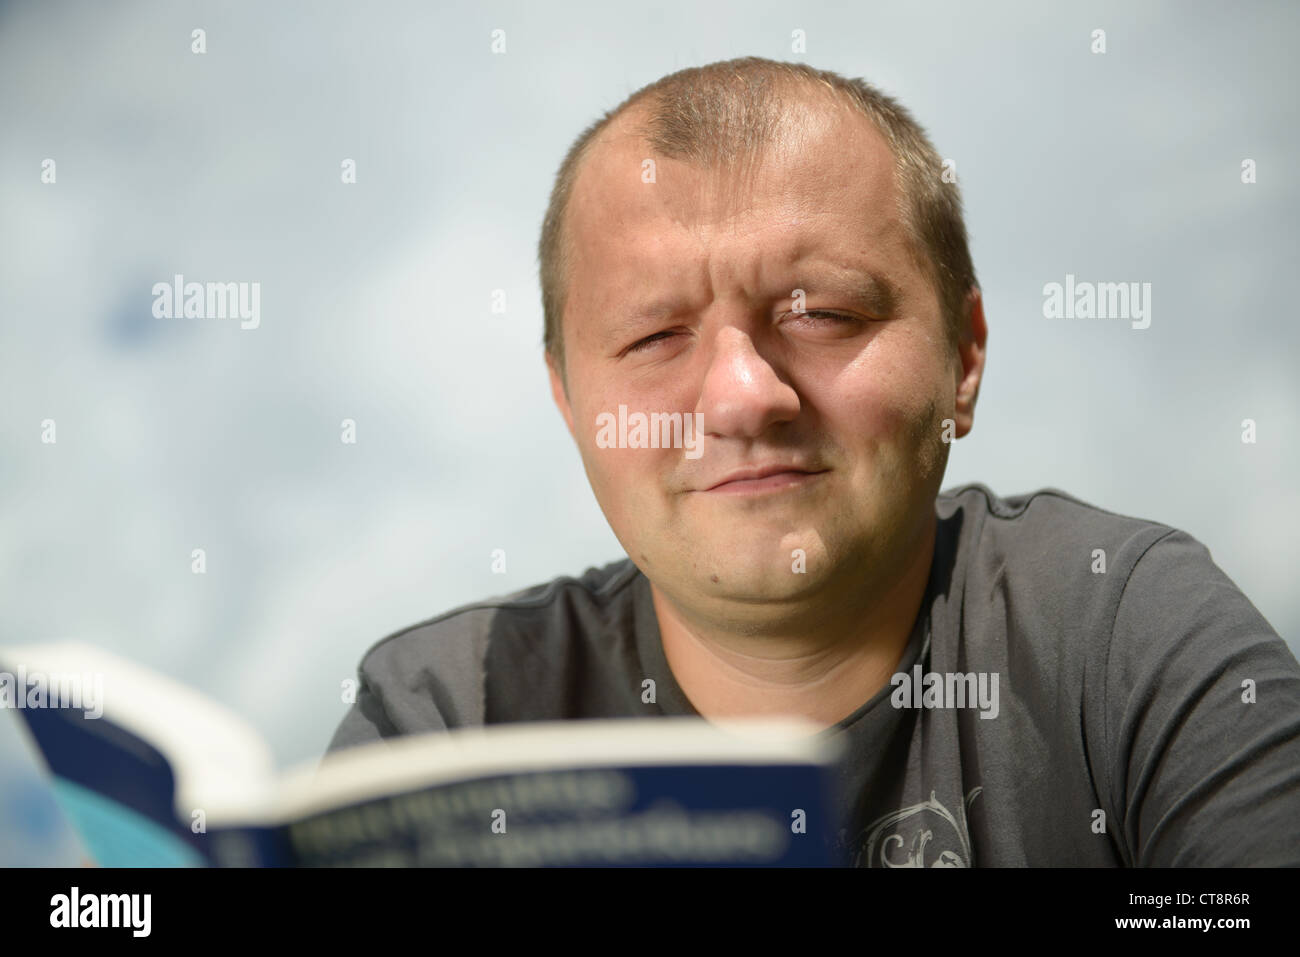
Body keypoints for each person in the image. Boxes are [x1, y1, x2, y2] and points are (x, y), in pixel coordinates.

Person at [326, 56, 1300, 866]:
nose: (744, 396)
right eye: (656, 335)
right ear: (567, 397)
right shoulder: (450, 716)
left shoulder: (1117, 627)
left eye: (823, 314)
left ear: (964, 358)